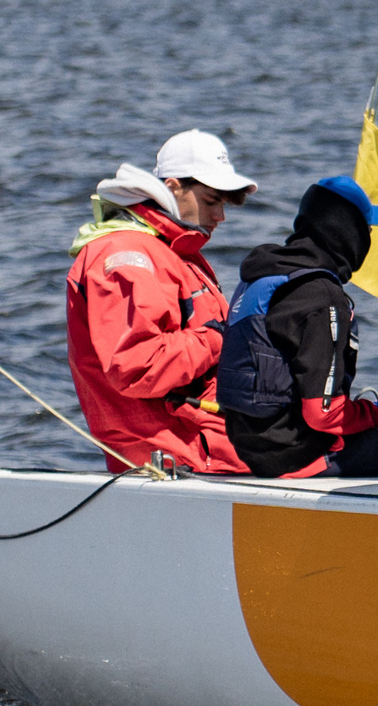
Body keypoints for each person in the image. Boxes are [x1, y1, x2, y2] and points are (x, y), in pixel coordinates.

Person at [65, 129, 257, 474]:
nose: (220, 216)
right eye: (211, 201)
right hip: (177, 456)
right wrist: (219, 337)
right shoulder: (127, 253)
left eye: (223, 205)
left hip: (205, 445)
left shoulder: (170, 250)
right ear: (173, 187)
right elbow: (138, 367)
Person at [218, 176, 378, 478]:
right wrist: (377, 416)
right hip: (300, 453)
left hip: (252, 449)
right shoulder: (321, 295)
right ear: (348, 232)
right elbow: (323, 413)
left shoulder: (262, 278)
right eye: (367, 231)